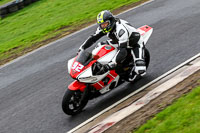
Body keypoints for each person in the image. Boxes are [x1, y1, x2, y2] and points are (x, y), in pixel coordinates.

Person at [78, 10, 146, 81]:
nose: (103, 27)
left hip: (134, 43)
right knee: (99, 45)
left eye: (105, 24)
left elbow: (123, 51)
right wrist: (82, 48)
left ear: (111, 21)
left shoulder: (121, 30)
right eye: (102, 25)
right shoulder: (104, 28)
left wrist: (111, 64)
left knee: (140, 70)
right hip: (118, 41)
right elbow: (93, 38)